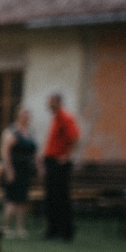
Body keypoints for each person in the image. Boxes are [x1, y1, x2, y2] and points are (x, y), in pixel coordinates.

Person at [40, 92, 81, 241]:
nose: (48, 104)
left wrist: (66, 156)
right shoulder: (56, 117)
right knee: (51, 198)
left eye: (50, 101)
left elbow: (74, 137)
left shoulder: (65, 117)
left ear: (57, 101)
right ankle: (53, 230)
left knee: (60, 198)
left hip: (59, 164)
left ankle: (65, 232)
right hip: (51, 162)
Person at [0, 108, 37, 238]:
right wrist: (9, 171)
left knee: (22, 200)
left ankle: (20, 228)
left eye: (28, 116)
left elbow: (34, 151)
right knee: (11, 199)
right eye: (24, 115)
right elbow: (5, 151)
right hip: (14, 169)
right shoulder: (11, 131)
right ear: (19, 116)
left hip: (26, 171)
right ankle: (6, 227)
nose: (26, 118)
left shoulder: (29, 133)